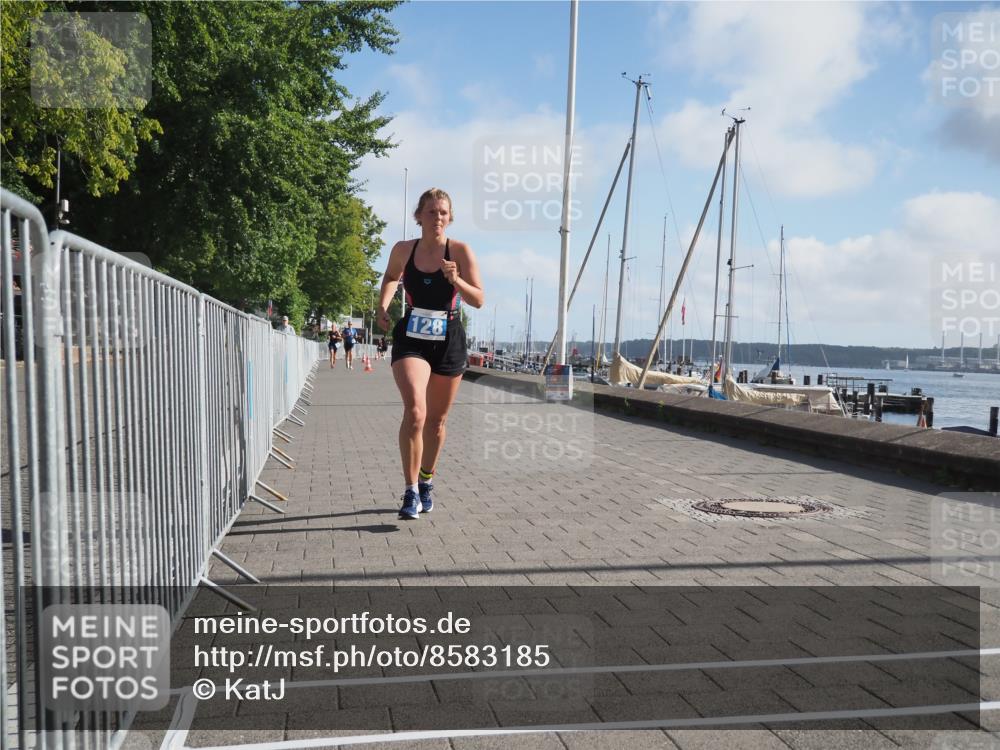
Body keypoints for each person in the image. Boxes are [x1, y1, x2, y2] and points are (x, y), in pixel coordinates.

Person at [377, 188, 484, 520]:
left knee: (436, 422)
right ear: (418, 216)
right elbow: (392, 277)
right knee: (416, 410)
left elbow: (478, 299)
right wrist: (383, 305)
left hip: (448, 337)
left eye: (443, 212)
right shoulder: (403, 250)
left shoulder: (460, 251)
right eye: (431, 211)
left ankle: (426, 481)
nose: (437, 217)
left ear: (449, 218)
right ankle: (409, 491)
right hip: (412, 336)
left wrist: (456, 281)